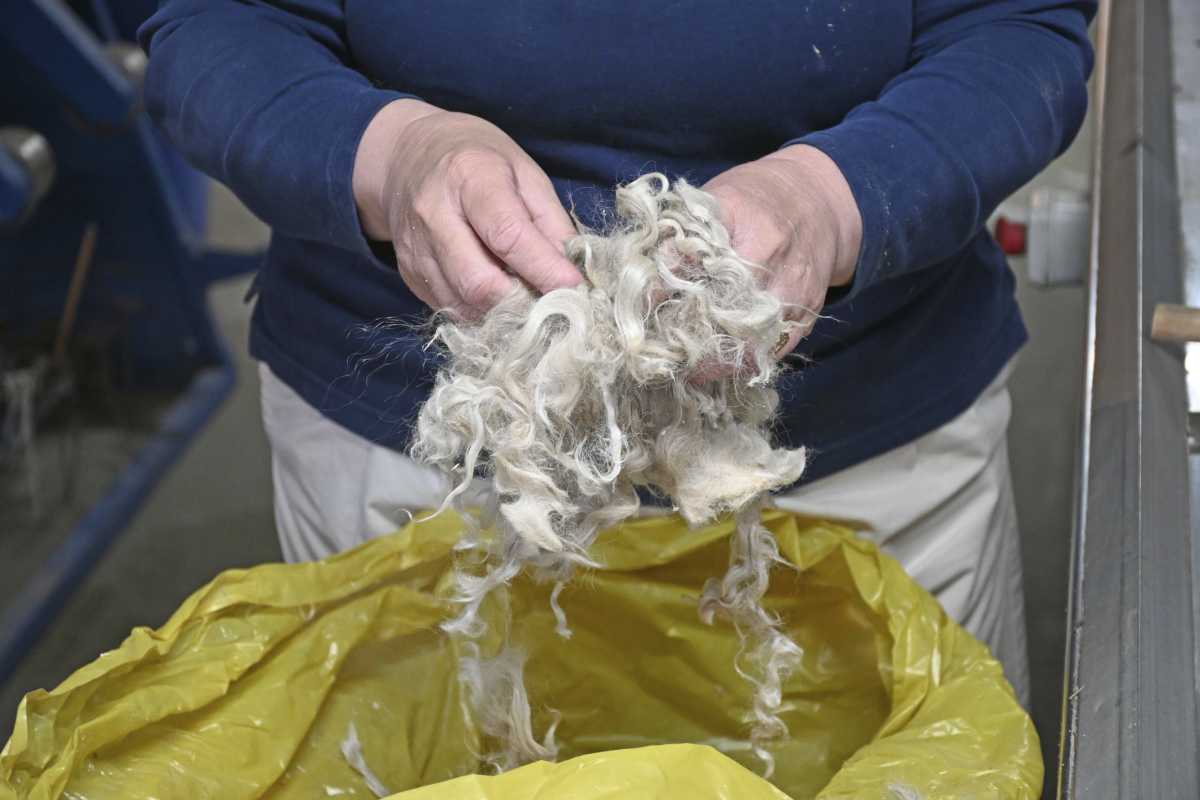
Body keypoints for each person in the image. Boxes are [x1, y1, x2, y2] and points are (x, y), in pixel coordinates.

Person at [138, 0, 1097, 706]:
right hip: (426, 470)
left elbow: (1013, 27)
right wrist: (394, 156)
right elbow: (220, 23)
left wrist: (836, 199)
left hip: (868, 463)